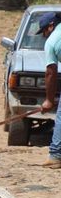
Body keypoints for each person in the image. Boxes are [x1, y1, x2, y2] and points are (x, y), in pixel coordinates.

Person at [39, 12, 61, 168]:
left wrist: (48, 100)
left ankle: (56, 155)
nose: (44, 36)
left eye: (44, 31)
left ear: (51, 26)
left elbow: (50, 72)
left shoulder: (52, 41)